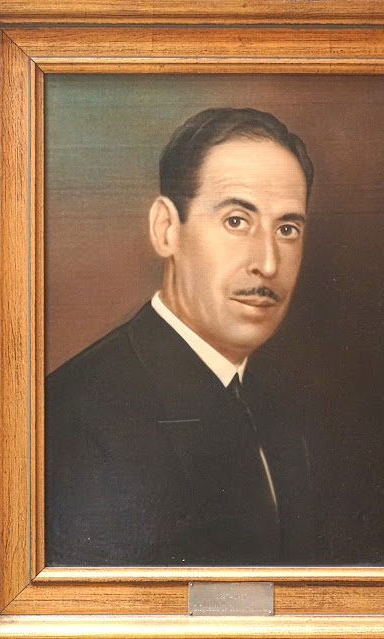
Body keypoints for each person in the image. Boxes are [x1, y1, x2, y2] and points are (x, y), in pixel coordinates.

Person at [45, 107, 319, 566]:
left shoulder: (280, 421)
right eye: (236, 221)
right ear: (167, 229)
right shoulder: (71, 416)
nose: (269, 263)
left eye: (287, 229)